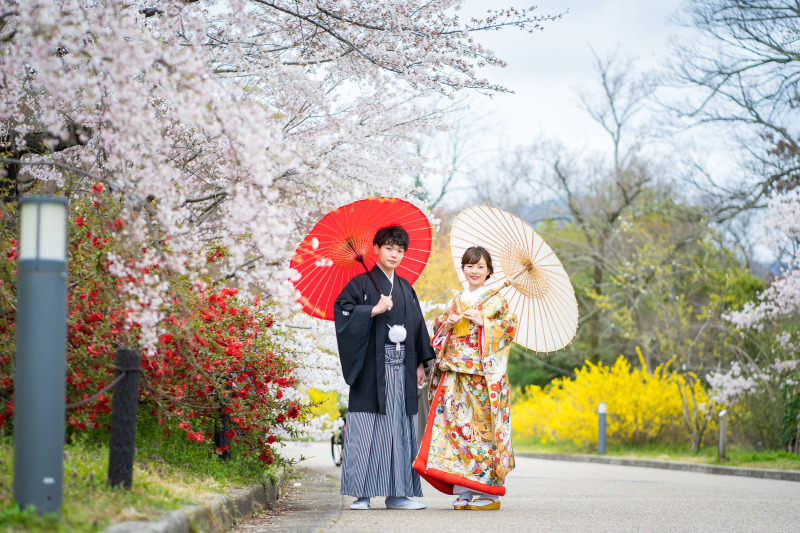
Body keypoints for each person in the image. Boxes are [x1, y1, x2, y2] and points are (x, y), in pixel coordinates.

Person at [334, 224, 436, 510]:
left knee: (400, 426)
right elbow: (343, 312)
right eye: (389, 248)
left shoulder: (405, 288)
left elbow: (418, 325)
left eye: (400, 250)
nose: (394, 254)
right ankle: (361, 494)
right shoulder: (359, 285)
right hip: (371, 367)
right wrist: (371, 310)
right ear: (376, 249)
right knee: (367, 425)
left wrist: (419, 363)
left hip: (403, 366)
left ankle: (398, 494)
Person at [413, 246, 517, 510]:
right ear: (463, 269)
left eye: (480, 266)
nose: (474, 271)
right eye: (470, 265)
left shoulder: (497, 301)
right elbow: (438, 332)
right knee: (456, 431)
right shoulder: (456, 300)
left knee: (481, 433)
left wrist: (483, 322)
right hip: (454, 375)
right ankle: (465, 489)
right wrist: (447, 325)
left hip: (481, 378)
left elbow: (508, 330)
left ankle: (489, 493)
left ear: (489, 271)